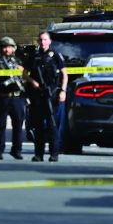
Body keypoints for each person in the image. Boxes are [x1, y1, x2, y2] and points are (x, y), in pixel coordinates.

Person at [24, 31, 67, 162]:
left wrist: (63, 91)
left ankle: (54, 154)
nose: (43, 42)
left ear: (50, 41)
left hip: (52, 94)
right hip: (37, 95)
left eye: (45, 40)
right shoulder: (34, 56)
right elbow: (25, 74)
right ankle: (39, 154)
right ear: (38, 41)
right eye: (41, 40)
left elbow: (65, 75)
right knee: (38, 126)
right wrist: (33, 83)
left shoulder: (55, 56)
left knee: (52, 125)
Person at [0, 36, 25, 160]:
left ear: (13, 48)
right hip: (2, 98)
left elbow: (28, 76)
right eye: (4, 47)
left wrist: (21, 70)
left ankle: (16, 150)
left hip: (17, 97)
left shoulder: (18, 61)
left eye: (9, 47)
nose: (7, 50)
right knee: (0, 125)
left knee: (18, 125)